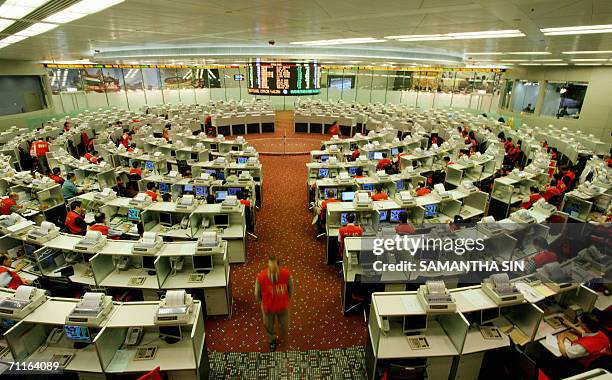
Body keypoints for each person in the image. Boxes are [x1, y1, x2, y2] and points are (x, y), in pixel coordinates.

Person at [255, 256, 293, 352]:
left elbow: (290, 289)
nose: (271, 270)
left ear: (278, 266)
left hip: (282, 306)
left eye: (274, 267)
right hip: (268, 307)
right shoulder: (261, 277)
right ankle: (272, 341)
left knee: (285, 325)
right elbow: (257, 294)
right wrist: (262, 302)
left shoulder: (286, 275)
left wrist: (286, 298)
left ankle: (282, 335)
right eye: (270, 267)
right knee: (269, 326)